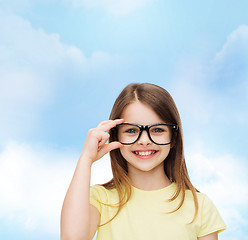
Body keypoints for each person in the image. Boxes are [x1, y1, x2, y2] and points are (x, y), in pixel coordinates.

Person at [61, 83, 226, 240]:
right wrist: (86, 159)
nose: (144, 140)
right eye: (132, 130)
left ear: (173, 138)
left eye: (157, 130)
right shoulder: (99, 198)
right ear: (116, 135)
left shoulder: (200, 205)